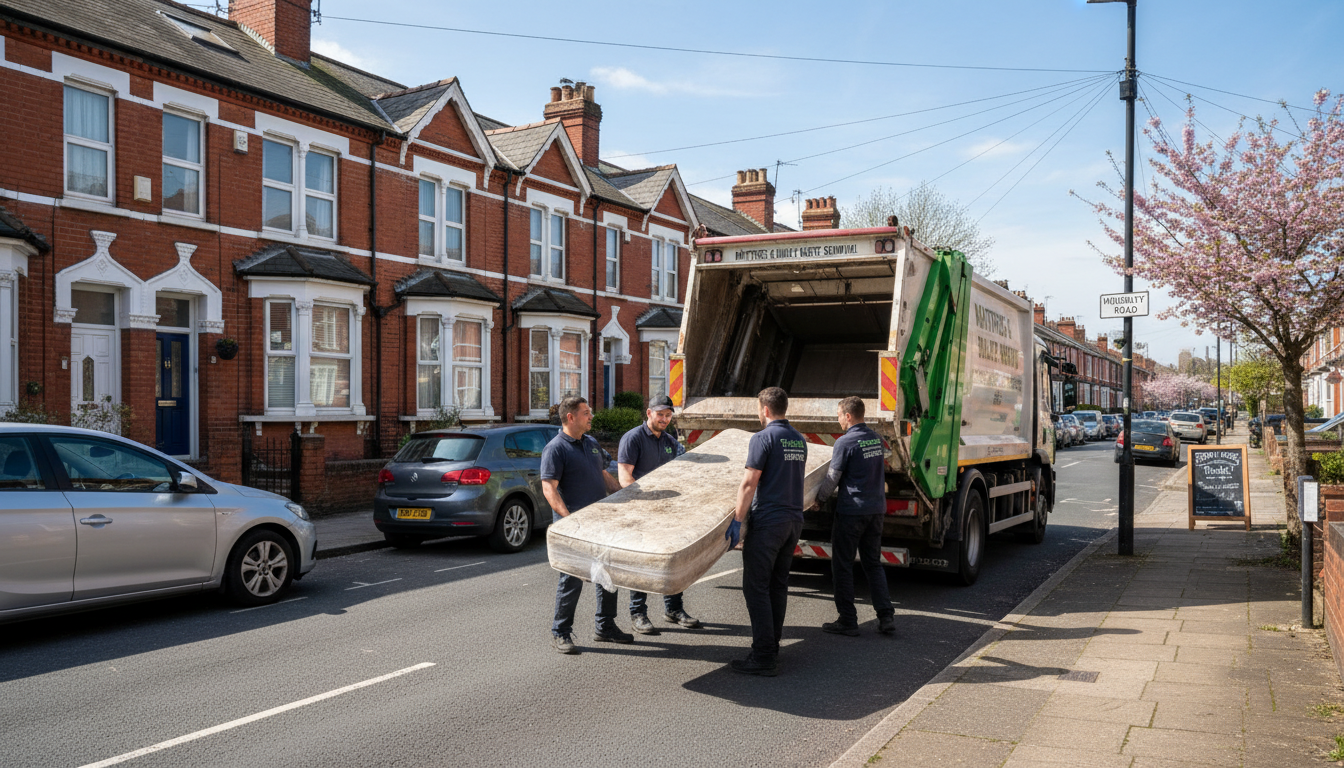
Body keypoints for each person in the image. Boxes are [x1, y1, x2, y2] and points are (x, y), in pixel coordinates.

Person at [726, 386, 807, 676]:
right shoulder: (799, 439)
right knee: (778, 585)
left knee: (756, 587)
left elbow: (749, 483)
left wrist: (738, 520)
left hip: (769, 522)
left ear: (764, 410)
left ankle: (762, 656)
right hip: (792, 522)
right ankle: (772, 646)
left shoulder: (763, 438)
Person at [543, 395, 629, 654]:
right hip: (575, 526)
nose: (591, 416)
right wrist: (570, 521)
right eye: (586, 413)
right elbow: (549, 488)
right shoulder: (555, 448)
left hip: (600, 522)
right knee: (572, 578)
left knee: (607, 574)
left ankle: (605, 626)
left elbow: (602, 474)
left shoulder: (591, 443)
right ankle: (561, 632)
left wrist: (625, 495)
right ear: (571, 417)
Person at [810, 396, 895, 636]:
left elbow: (832, 477)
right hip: (876, 510)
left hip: (852, 511)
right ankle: (886, 616)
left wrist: (820, 500)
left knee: (842, 565)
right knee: (873, 563)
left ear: (848, 416)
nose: (837, 421)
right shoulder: (877, 440)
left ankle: (848, 619)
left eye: (838, 416)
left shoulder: (845, 443)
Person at [617, 394, 701, 634]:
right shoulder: (632, 438)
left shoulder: (670, 439)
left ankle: (673, 609)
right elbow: (625, 479)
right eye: (660, 414)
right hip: (642, 511)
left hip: (667, 512)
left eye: (668, 415)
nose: (665, 419)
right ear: (649, 413)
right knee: (642, 563)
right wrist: (646, 503)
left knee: (672, 559)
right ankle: (638, 613)